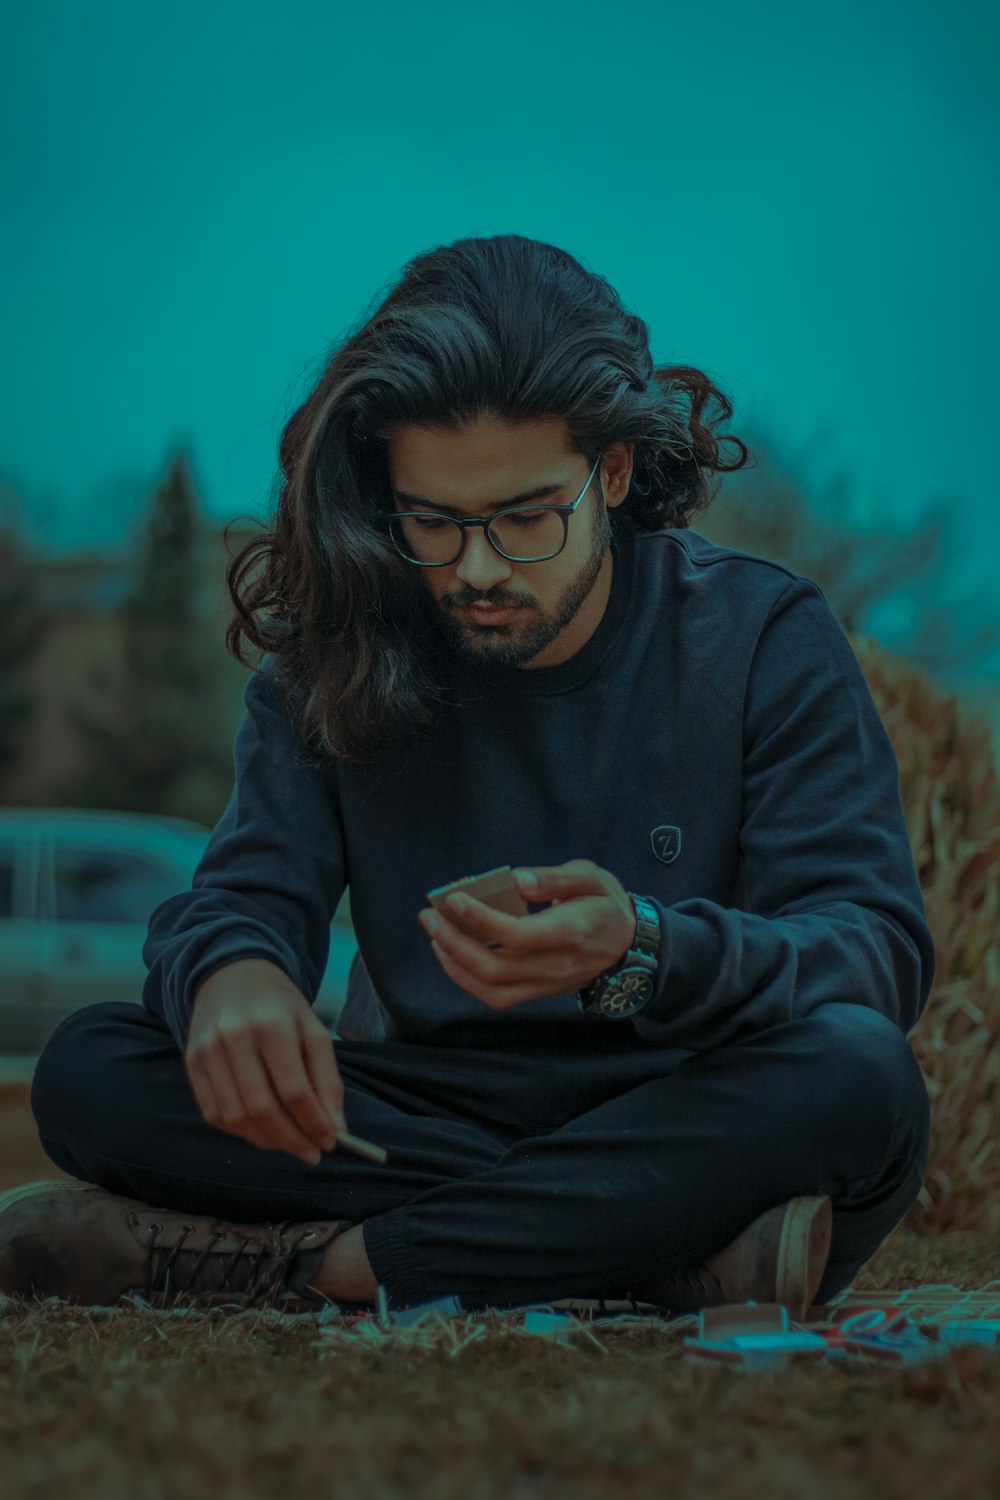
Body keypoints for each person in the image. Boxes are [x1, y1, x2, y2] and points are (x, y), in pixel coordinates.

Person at [2, 234, 933, 1320]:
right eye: (433, 522)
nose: (477, 567)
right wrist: (232, 976)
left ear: (613, 474)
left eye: (524, 518)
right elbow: (244, 897)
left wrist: (645, 948)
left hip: (686, 1097)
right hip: (414, 1115)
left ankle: (321, 1272)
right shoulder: (341, 642)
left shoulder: (760, 634)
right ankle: (652, 1255)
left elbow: (872, 950)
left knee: (860, 1077)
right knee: (92, 1069)